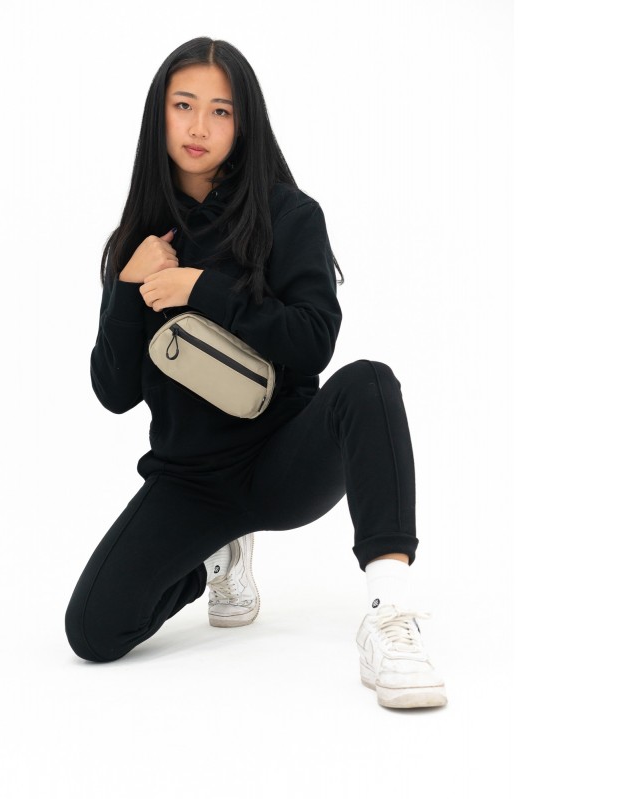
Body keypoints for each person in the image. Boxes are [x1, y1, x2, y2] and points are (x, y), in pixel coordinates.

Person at [65, 36, 447, 709]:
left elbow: (313, 342)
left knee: (369, 381)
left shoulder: (288, 215)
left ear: (243, 124)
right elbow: (114, 392)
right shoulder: (139, 243)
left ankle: (390, 614)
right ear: (160, 115)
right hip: (189, 481)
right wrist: (128, 286)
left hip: (282, 463)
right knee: (93, 632)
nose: (199, 127)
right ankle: (217, 558)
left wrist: (199, 288)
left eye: (221, 111)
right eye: (184, 106)